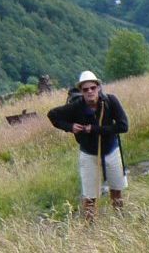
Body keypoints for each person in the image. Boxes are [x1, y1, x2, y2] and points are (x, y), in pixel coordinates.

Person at [47, 71, 129, 221]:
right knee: (90, 196)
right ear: (81, 91)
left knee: (116, 190)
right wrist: (70, 127)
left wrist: (95, 129)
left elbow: (123, 126)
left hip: (111, 150)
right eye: (85, 89)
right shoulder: (76, 106)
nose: (90, 91)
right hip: (89, 154)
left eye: (92, 88)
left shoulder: (110, 101)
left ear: (99, 87)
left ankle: (120, 221)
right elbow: (52, 115)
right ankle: (90, 227)